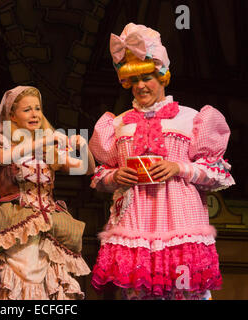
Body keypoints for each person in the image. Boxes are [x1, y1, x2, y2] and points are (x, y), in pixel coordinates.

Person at [89, 23, 235, 300]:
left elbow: (217, 173)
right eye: (135, 80)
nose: (141, 86)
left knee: (185, 293)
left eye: (148, 77)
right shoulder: (118, 124)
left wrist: (178, 167)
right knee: (137, 293)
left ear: (163, 76)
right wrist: (114, 177)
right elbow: (101, 175)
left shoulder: (190, 118)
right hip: (136, 222)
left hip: (180, 220)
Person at [0, 86, 93, 299]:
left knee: (49, 282)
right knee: (21, 278)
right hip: (19, 225)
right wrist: (42, 141)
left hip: (49, 226)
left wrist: (83, 147)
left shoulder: (49, 147)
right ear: (12, 116)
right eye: (27, 110)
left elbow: (86, 168)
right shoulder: (0, 142)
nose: (34, 114)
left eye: (37, 108)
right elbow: (0, 158)